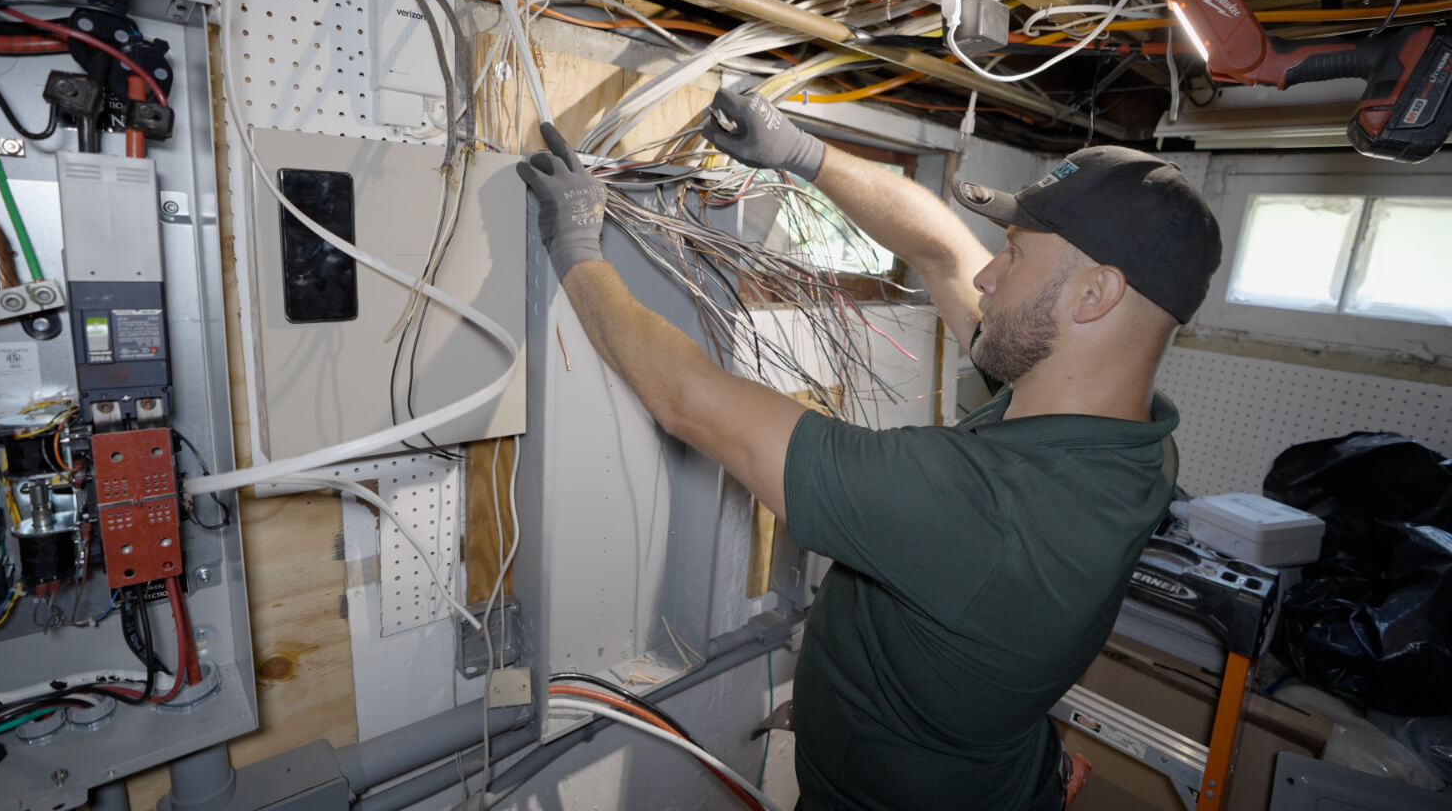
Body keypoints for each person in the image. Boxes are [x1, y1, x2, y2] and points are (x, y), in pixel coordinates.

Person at [516, 87, 1221, 811]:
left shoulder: (979, 507)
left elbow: (688, 399)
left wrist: (575, 250)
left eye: (1013, 256)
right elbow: (940, 252)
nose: (987, 274)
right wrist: (804, 154)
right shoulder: (1130, 441)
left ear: (1095, 296)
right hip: (1002, 776)